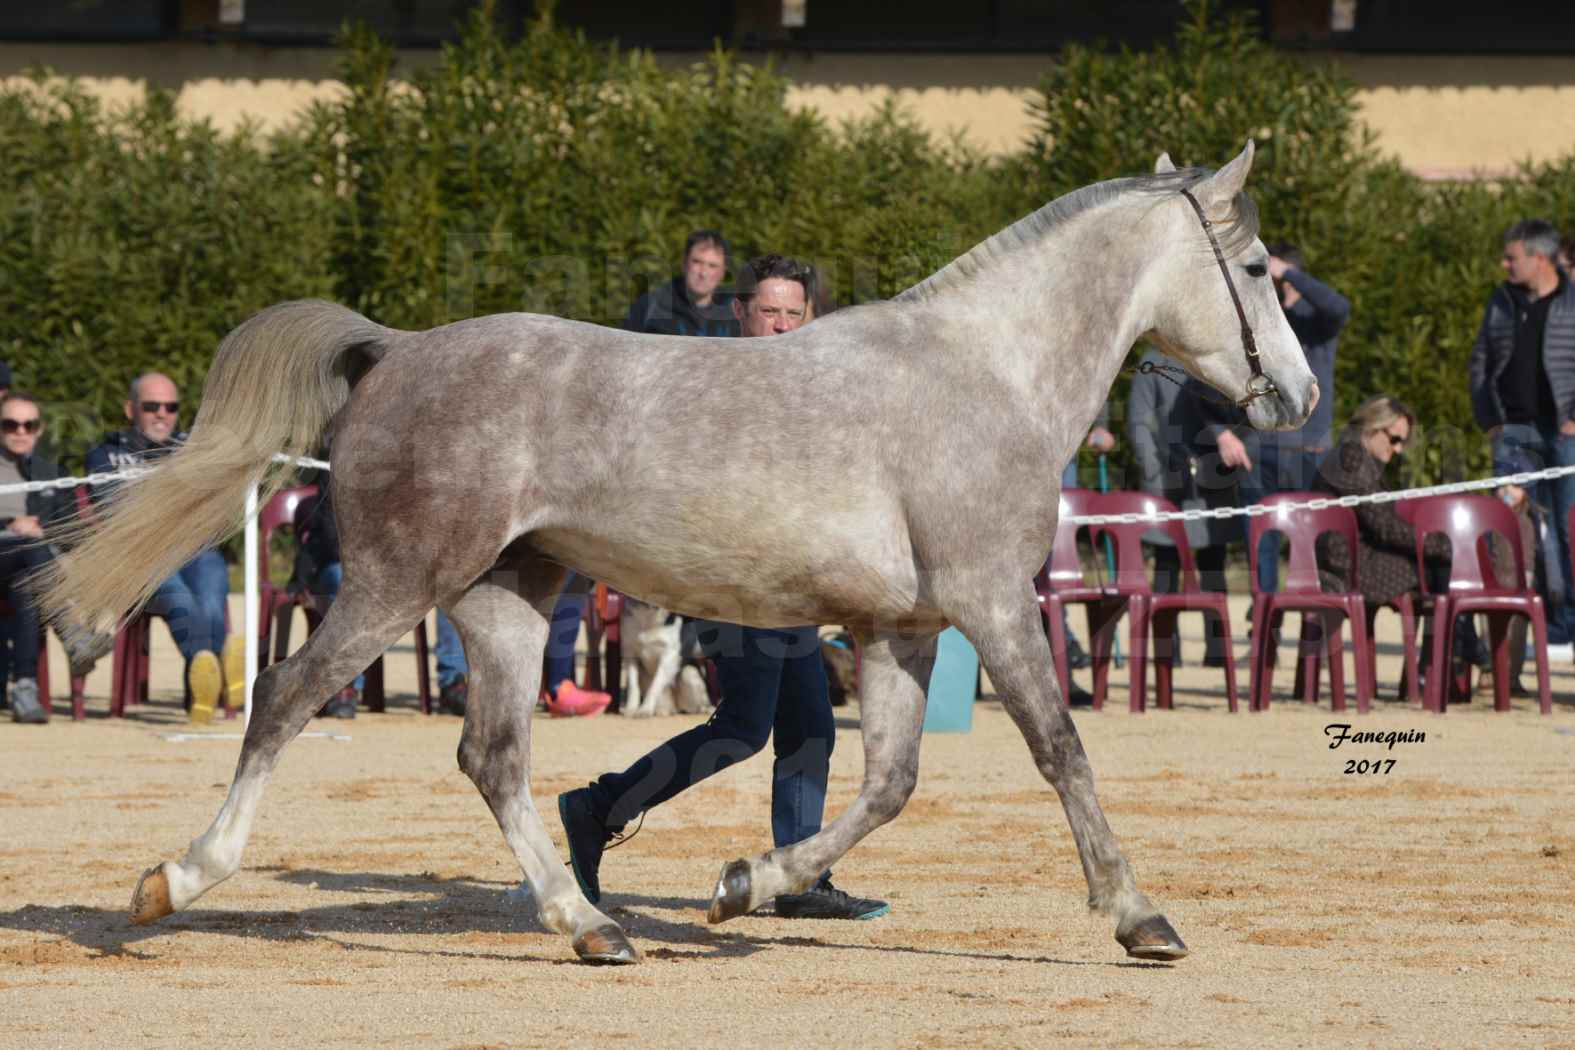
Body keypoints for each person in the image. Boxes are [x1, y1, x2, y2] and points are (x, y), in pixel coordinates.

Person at [559, 254, 888, 921]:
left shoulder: (814, 388)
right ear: (738, 313)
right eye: (769, 312)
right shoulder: (706, 384)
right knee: (740, 728)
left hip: (788, 580)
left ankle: (798, 875)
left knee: (809, 727)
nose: (782, 326)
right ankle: (598, 807)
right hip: (728, 577)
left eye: (795, 313)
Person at [85, 373, 237, 723]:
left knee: (212, 595)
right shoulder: (105, 454)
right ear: (130, 409)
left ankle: (201, 690)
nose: (161, 414)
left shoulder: (194, 450)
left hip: (194, 551)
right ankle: (208, 670)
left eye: (170, 407)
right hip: (140, 559)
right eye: (151, 406)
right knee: (179, 597)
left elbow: (214, 510)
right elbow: (114, 514)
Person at [1311, 396, 1470, 699]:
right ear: (1373, 426)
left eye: (1403, 443)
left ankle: (1437, 668)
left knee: (1439, 568)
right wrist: (1439, 544)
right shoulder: (1353, 459)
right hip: (1347, 566)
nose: (1397, 449)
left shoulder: (1354, 454)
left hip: (1351, 558)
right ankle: (1440, 669)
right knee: (1439, 565)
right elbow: (1382, 526)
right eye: (1395, 439)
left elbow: (1381, 523)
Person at [1467, 218, 1575, 647]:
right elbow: (1480, 360)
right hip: (1513, 434)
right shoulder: (1501, 301)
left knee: (1567, 529)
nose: (1504, 264)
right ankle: (1514, 633)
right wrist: (1489, 419)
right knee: (1510, 530)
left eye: (1512, 257)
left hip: (1564, 435)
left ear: (1540, 258)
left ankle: (1566, 626)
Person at [1247, 243, 1350, 593]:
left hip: (1312, 449)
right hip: (1267, 446)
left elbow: (1340, 306)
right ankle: (1263, 623)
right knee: (1264, 542)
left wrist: (1290, 273)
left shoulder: (1317, 319)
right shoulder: (1262, 317)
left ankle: (1315, 628)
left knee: (1315, 541)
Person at [1, 393, 73, 723]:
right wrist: (9, 525)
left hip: (28, 567)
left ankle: (25, 687)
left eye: (28, 424)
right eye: (10, 424)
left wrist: (43, 529)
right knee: (30, 547)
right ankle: (72, 632)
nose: (20, 431)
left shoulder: (51, 471)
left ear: (39, 429)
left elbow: (70, 523)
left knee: (28, 586)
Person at [622, 229, 738, 338]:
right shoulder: (649, 307)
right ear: (684, 263)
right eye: (697, 262)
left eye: (712, 266)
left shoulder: (737, 314)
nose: (703, 273)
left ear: (723, 272)